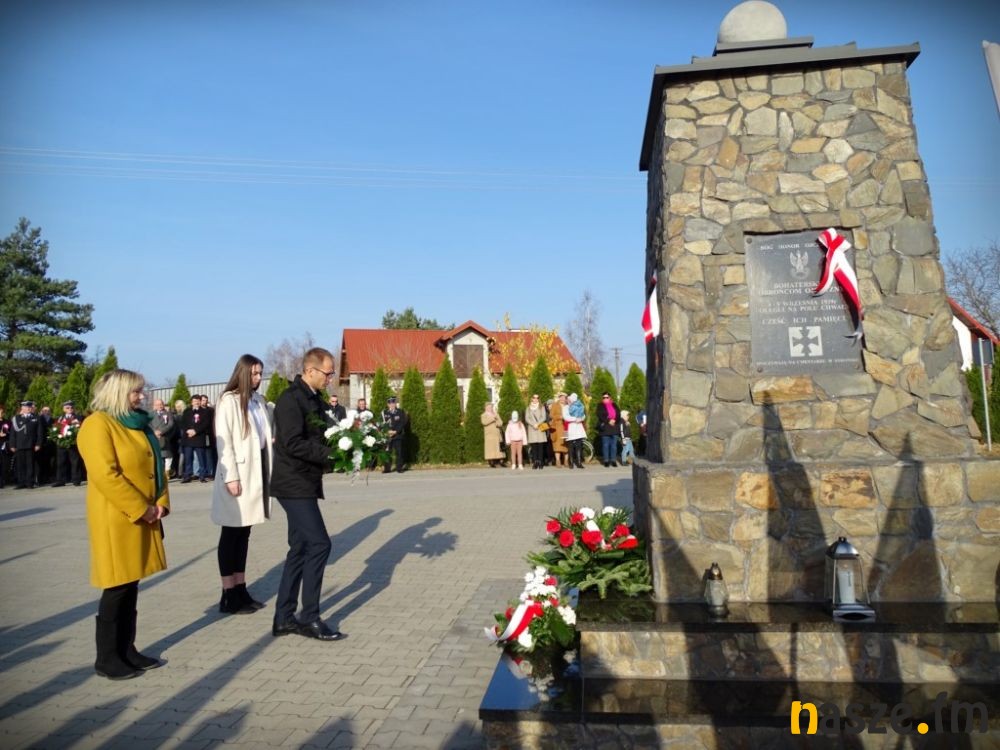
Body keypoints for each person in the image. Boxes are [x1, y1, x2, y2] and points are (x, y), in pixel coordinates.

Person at [77, 369, 169, 680]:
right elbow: (105, 475)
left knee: (131, 584)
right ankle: (106, 657)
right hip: (117, 518)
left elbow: (156, 466)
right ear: (117, 392)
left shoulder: (137, 423)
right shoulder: (97, 424)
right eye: (135, 391)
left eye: (141, 390)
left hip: (144, 515)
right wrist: (141, 509)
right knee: (117, 586)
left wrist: (160, 502)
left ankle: (126, 649)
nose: (141, 396)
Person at [270, 347, 344, 641]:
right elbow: (292, 443)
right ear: (310, 371)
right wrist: (330, 454)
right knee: (319, 544)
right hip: (293, 483)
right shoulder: (291, 400)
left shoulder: (314, 399)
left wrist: (353, 440)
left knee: (300, 548)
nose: (330, 378)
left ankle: (284, 618)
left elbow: (325, 433)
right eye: (328, 373)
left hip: (306, 482)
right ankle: (310, 617)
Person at [213, 355, 273, 616]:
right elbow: (223, 439)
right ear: (243, 373)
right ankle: (228, 593)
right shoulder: (229, 400)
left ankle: (241, 587)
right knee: (231, 533)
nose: (258, 378)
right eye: (254, 374)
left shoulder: (257, 401)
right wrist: (231, 477)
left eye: (260, 373)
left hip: (255, 471)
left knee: (244, 533)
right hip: (237, 473)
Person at [10, 400, 41, 489]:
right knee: (20, 465)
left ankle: (29, 483)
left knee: (30, 465)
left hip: (31, 445)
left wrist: (38, 444)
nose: (29, 408)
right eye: (26, 407)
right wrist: (12, 445)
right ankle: (21, 482)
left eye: (30, 407)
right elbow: (13, 433)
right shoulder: (16, 418)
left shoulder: (36, 418)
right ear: (22, 408)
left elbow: (39, 433)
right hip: (19, 445)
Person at [53, 400, 84, 487]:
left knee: (75, 462)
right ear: (64, 409)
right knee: (60, 462)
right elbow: (56, 429)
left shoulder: (78, 417)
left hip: (73, 443)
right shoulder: (60, 418)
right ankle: (60, 480)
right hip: (62, 443)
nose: (70, 409)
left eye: (71, 407)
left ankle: (76, 480)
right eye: (67, 408)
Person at [180, 395, 210, 483]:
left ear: (200, 402)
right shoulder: (187, 411)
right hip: (188, 438)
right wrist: (188, 431)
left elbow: (206, 424)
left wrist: (195, 431)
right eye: (194, 401)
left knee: (201, 458)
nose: (196, 403)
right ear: (191, 402)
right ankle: (187, 475)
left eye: (198, 401)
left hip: (199, 438)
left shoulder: (205, 412)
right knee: (188, 458)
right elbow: (183, 423)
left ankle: (202, 476)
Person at [150, 399, 176, 479]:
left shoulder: (168, 413)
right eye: (158, 405)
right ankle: (159, 473)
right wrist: (154, 432)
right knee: (157, 455)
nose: (160, 406)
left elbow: (170, 424)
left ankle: (167, 471)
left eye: (161, 404)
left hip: (165, 437)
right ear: (155, 406)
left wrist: (161, 431)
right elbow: (148, 424)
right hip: (155, 437)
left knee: (167, 455)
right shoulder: (151, 414)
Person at [381, 397, 408, 473]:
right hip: (387, 436)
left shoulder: (400, 412)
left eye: (393, 403)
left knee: (399, 452)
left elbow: (402, 422)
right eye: (390, 403)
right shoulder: (384, 413)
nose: (392, 405)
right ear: (388, 404)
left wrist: (395, 431)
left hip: (397, 435)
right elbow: (381, 423)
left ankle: (399, 468)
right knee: (387, 453)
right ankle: (387, 468)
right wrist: (387, 431)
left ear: (395, 404)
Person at [596, 392, 621, 467]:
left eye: (607, 397)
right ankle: (606, 461)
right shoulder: (600, 405)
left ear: (610, 398)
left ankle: (613, 460)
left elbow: (618, 414)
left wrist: (615, 420)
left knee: (614, 446)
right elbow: (600, 415)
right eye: (604, 397)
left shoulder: (614, 404)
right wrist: (608, 420)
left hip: (614, 427)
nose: (605, 399)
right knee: (605, 445)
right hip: (605, 428)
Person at [524, 394, 548, 470]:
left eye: (537, 398)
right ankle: (535, 462)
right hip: (532, 429)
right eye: (534, 397)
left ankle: (540, 462)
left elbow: (543, 417)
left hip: (540, 428)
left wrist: (537, 424)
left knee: (540, 447)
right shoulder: (528, 408)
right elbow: (527, 418)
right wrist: (533, 424)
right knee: (534, 447)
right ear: (532, 399)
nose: (535, 399)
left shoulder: (542, 407)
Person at [564, 393, 587, 469]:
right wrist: (575, 419)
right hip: (569, 427)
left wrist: (581, 418)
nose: (569, 400)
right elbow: (565, 417)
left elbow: (583, 415)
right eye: (568, 399)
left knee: (579, 445)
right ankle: (571, 463)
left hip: (578, 427)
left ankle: (579, 462)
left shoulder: (578, 405)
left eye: (570, 399)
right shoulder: (565, 407)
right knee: (570, 446)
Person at [481, 403, 504, 467]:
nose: (490, 408)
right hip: (489, 435)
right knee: (490, 448)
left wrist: (498, 423)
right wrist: (493, 418)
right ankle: (491, 462)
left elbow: (501, 422)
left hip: (497, 434)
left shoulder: (496, 414)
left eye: (491, 407)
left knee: (498, 448)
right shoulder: (483, 415)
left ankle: (501, 461)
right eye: (489, 407)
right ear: (485, 408)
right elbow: (484, 422)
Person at [549, 393, 568, 468]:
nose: (562, 399)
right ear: (559, 398)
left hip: (566, 427)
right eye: (561, 397)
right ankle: (558, 461)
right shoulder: (555, 405)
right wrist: (559, 416)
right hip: (557, 427)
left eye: (564, 397)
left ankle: (566, 461)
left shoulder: (568, 405)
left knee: (566, 444)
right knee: (557, 445)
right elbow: (551, 415)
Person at [0, 404, 10, 488]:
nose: (1, 414)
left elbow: (8, 431)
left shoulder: (6, 422)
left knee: (5, 463)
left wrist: (6, 433)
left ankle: (3, 480)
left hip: (4, 445)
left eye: (2, 412)